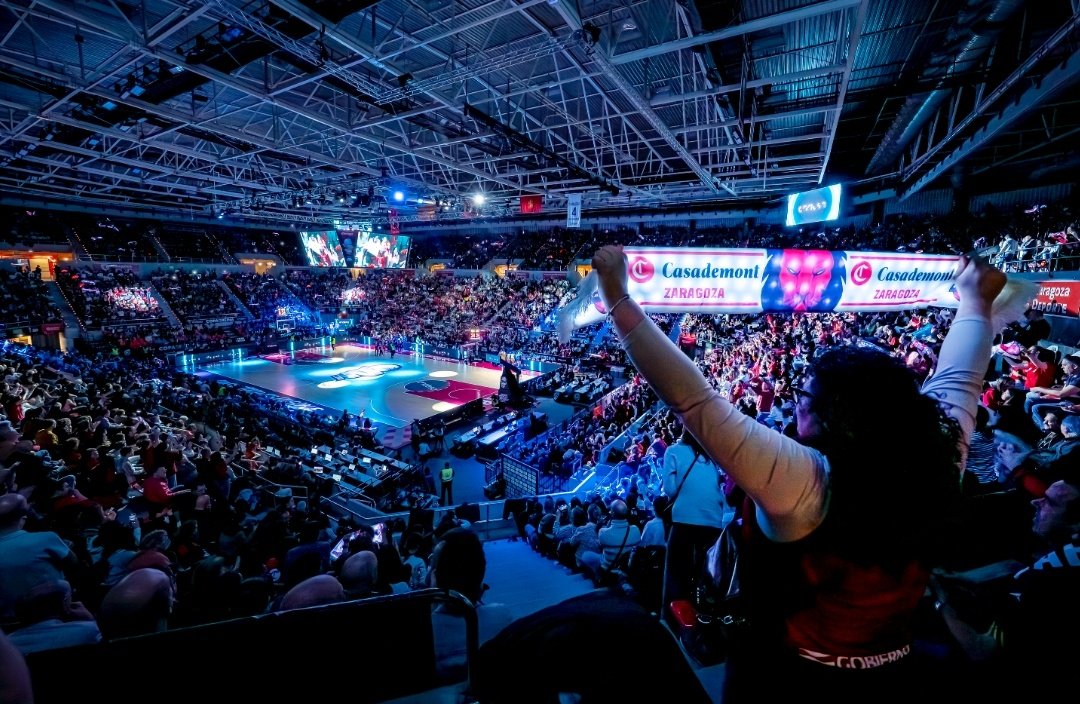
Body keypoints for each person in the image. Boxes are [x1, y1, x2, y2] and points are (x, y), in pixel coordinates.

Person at [591, 245, 1005, 700]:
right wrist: (975, 302)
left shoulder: (805, 482)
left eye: (803, 397)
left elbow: (693, 401)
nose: (797, 405)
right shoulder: (938, 457)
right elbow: (962, 377)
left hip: (788, 677)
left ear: (833, 417)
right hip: (899, 670)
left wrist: (617, 297)